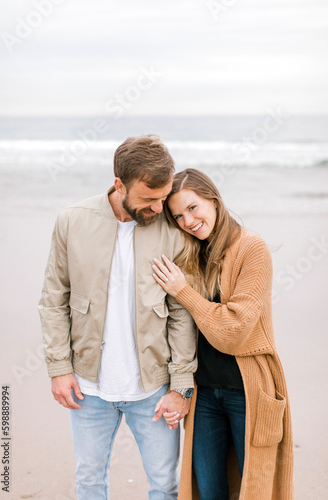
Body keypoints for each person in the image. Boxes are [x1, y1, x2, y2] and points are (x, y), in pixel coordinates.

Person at [38, 136, 197, 500]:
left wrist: (180, 386)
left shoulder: (172, 230)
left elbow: (181, 314)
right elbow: (52, 300)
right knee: (90, 480)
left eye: (163, 197)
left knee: (165, 484)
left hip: (154, 388)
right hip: (88, 387)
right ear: (119, 184)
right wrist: (59, 369)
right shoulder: (71, 222)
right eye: (148, 199)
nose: (159, 208)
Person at [152, 168, 294, 500]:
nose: (187, 221)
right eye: (178, 216)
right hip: (204, 394)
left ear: (213, 200)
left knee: (255, 489)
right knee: (208, 490)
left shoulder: (252, 249)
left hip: (249, 391)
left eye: (193, 207)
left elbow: (233, 332)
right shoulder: (190, 252)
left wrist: (184, 291)